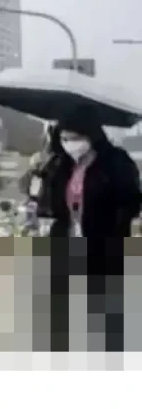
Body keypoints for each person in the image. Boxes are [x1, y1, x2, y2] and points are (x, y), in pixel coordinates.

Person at [41, 104, 139, 352]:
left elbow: (131, 200)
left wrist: (114, 223)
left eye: (75, 138)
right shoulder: (60, 164)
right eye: (64, 138)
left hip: (103, 242)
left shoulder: (116, 161)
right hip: (67, 240)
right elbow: (49, 203)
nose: (69, 144)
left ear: (91, 134)